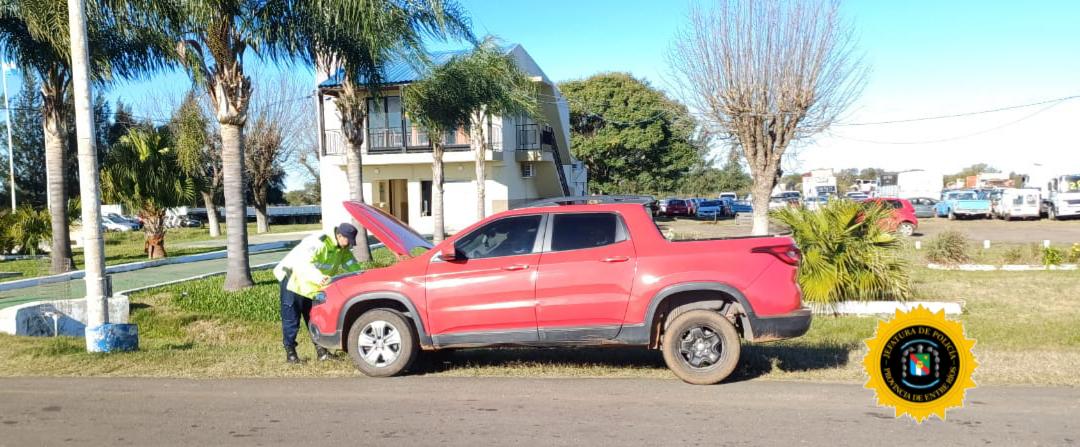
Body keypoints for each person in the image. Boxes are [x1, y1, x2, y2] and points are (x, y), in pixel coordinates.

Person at [273, 223, 364, 363]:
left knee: (315, 317)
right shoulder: (319, 242)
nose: (349, 245)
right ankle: (291, 354)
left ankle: (322, 352)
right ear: (339, 235)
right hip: (294, 281)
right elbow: (303, 264)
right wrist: (319, 278)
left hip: (314, 286)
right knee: (292, 319)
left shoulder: (342, 248)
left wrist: (361, 278)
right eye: (347, 241)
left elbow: (351, 265)